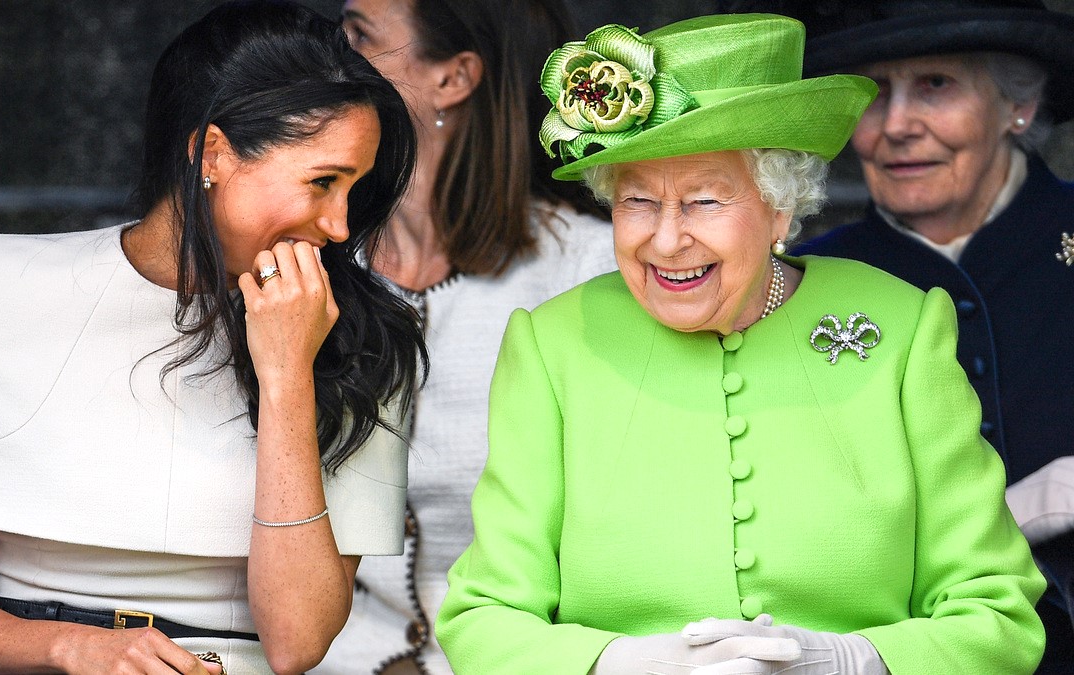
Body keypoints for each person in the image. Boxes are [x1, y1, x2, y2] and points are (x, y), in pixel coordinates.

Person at [435, 13, 1047, 674]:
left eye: (703, 202)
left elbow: (999, 613)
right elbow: (483, 616)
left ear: (779, 207)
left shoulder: (901, 327)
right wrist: (617, 663)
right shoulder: (553, 345)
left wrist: (859, 660)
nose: (666, 240)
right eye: (637, 201)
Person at [0, 1, 425, 673]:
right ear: (212, 153)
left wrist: (288, 374)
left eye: (354, 188)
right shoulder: (1, 282)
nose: (342, 225)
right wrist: (74, 648)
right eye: (322, 182)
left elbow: (297, 641)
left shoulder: (365, 337)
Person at [721, 1, 1074, 670]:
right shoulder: (793, 281)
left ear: (1017, 106)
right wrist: (1028, 506)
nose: (897, 125)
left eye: (935, 85)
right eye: (873, 93)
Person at [317, 1, 615, 672]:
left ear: (454, 78)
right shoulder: (319, 258)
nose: (326, 53)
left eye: (359, 34)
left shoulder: (589, 269)